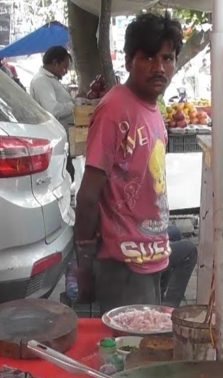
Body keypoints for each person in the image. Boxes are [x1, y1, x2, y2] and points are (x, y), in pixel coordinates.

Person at [74, 13, 183, 313]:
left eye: (168, 58)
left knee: (147, 348)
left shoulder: (153, 110)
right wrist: (84, 263)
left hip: (152, 256)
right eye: (148, 57)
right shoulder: (114, 110)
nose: (160, 67)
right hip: (122, 266)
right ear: (128, 61)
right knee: (130, 353)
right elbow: (88, 194)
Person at [29, 45, 74, 130]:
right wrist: (74, 105)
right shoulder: (41, 80)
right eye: (64, 67)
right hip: (54, 133)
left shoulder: (51, 78)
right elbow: (53, 110)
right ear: (55, 63)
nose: (66, 72)